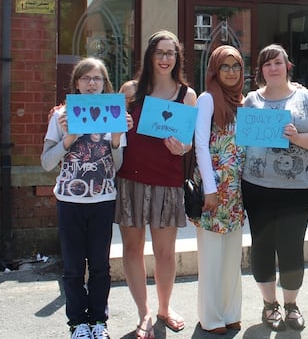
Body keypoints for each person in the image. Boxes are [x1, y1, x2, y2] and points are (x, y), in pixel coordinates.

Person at [241, 44, 308, 332]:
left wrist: (297, 138)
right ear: (261, 70)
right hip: (257, 186)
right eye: (267, 64)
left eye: (278, 63)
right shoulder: (251, 101)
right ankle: (270, 305)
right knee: (262, 246)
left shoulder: (305, 98)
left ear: (287, 65)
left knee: (292, 247)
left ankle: (291, 305)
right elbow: (240, 140)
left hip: (298, 188)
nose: (273, 68)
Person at [41, 57, 133, 339]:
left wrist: (116, 138)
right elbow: (46, 162)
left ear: (105, 84)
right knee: (72, 267)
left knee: (100, 266)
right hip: (70, 201)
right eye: (86, 78)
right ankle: (77, 323)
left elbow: (116, 165)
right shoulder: (62, 116)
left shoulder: (114, 114)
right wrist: (68, 138)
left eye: (97, 79)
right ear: (76, 83)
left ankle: (98, 321)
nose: (92, 83)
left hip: (102, 201)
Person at [115, 30, 197, 339]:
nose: (165, 58)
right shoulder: (131, 90)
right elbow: (114, 134)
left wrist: (184, 147)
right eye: (160, 52)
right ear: (150, 55)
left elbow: (188, 140)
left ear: (177, 58)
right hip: (131, 180)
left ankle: (165, 307)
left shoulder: (186, 95)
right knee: (133, 248)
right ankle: (144, 313)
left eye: (171, 53)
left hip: (166, 181)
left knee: (165, 252)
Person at [191, 45, 246, 335]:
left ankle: (231, 312)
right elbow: (200, 144)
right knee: (211, 258)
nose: (230, 71)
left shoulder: (243, 101)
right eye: (224, 66)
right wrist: (209, 190)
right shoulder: (207, 99)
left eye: (235, 66)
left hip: (237, 191)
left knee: (231, 256)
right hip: (214, 189)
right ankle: (211, 317)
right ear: (214, 69)